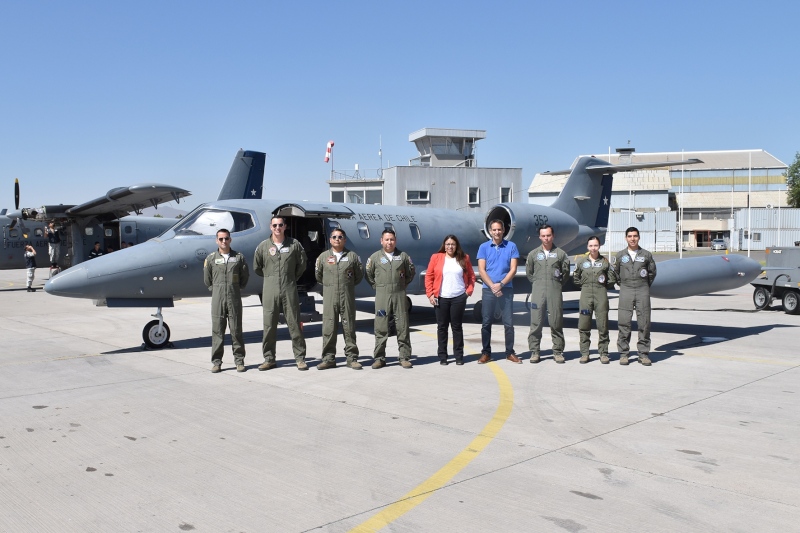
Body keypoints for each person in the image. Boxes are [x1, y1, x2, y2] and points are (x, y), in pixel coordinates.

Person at [253, 216, 308, 371]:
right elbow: (257, 267)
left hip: (289, 288)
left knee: (294, 323)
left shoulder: (294, 245)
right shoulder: (263, 246)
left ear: (285, 226)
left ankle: (300, 358)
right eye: (275, 225)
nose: (278, 228)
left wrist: (290, 278)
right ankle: (269, 359)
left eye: (280, 225)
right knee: (269, 325)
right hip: (270, 289)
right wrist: (271, 277)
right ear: (270, 227)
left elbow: (302, 264)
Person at [365, 229, 415, 369]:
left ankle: (404, 357)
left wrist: (402, 285)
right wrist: (377, 286)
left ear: (395, 241)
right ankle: (379, 358)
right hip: (382, 295)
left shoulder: (403, 256)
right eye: (386, 239)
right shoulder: (375, 257)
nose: (389, 242)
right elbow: (368, 274)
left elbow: (410, 272)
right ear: (381, 241)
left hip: (399, 294)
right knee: (381, 326)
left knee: (402, 326)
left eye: (392, 239)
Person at [314, 228, 364, 370]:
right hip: (330, 296)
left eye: (340, 237)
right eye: (334, 237)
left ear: (345, 240)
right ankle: (328, 358)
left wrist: (345, 286)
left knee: (349, 327)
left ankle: (352, 358)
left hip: (346, 296)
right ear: (330, 240)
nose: (337, 239)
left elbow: (358, 276)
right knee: (329, 327)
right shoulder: (323, 257)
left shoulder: (353, 257)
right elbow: (319, 276)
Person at [425, 235, 475, 365]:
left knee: (456, 327)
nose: (450, 247)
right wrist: (430, 294)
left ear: (456, 245)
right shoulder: (436, 257)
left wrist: (468, 292)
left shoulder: (464, 258)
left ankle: (459, 356)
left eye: (453, 244)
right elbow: (429, 276)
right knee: (442, 327)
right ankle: (443, 356)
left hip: (459, 297)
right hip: (441, 298)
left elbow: (471, 276)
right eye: (448, 244)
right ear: (444, 245)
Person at [204, 229, 249, 373]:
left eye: (226, 238)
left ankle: (239, 361)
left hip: (234, 298)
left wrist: (234, 288)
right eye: (221, 239)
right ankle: (216, 362)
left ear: (230, 240)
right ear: (217, 241)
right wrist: (217, 289)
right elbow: (207, 279)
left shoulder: (239, 257)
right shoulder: (211, 258)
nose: (224, 241)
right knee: (217, 331)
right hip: (218, 299)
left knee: (236, 330)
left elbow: (244, 276)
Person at [476, 219, 520, 364]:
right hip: (488, 290)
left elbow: (513, 269)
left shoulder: (511, 246)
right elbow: (481, 270)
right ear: (490, 231)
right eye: (494, 230)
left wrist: (500, 285)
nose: (497, 232)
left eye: (499, 229)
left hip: (506, 289)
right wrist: (493, 286)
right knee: (486, 323)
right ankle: (486, 353)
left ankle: (510, 352)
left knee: (508, 323)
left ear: (503, 230)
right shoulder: (483, 247)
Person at [613, 227, 657, 366]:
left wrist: (644, 285)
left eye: (635, 236)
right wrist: (623, 284)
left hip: (642, 289)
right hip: (626, 289)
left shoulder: (646, 255)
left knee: (644, 322)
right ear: (626, 238)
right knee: (624, 322)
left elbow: (652, 272)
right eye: (630, 236)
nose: (632, 239)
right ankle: (624, 354)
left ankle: (643, 354)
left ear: (639, 237)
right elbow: (615, 273)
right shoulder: (620, 255)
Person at [526, 224, 570, 363]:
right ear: (540, 237)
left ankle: (558, 352)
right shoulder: (533, 254)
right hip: (538, 291)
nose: (546, 238)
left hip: (554, 291)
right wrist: (538, 283)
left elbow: (565, 273)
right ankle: (535, 351)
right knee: (536, 322)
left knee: (556, 322)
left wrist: (556, 284)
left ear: (553, 236)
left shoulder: (561, 254)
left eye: (548, 235)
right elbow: (529, 273)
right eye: (543, 236)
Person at [572, 236, 617, 364]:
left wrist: (601, 286)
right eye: (591, 246)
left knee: (603, 324)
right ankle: (585, 353)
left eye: (595, 245)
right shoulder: (581, 262)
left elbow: (612, 278)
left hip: (600, 294)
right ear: (587, 247)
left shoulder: (605, 262)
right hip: (586, 294)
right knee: (584, 324)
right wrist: (585, 285)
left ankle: (604, 353)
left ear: (599, 246)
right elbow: (576, 277)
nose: (593, 248)